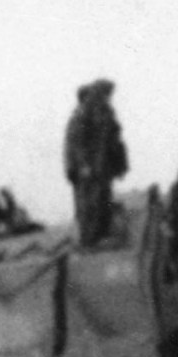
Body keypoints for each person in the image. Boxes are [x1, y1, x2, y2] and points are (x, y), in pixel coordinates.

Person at [62, 79, 129, 246]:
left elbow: (114, 141)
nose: (109, 97)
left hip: (102, 166)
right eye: (106, 93)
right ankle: (90, 239)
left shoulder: (104, 112)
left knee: (102, 200)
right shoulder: (84, 114)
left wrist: (119, 165)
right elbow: (79, 143)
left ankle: (100, 235)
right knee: (90, 204)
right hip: (90, 167)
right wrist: (83, 165)